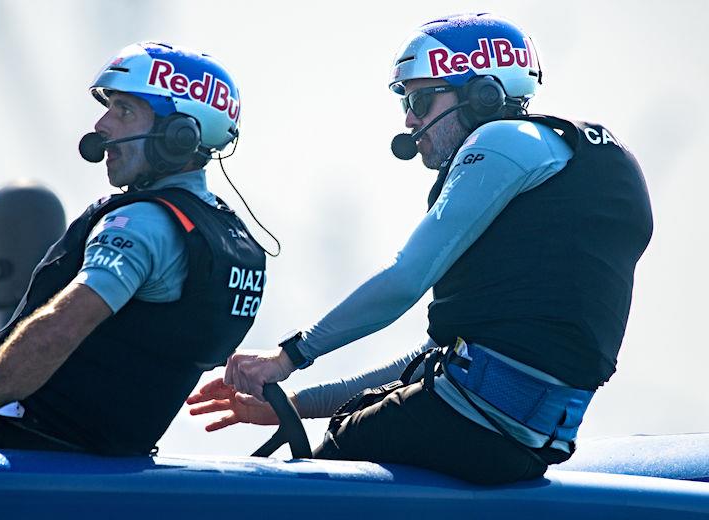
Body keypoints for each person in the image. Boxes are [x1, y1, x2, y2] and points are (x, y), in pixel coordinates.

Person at [188, 14, 653, 484]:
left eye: (420, 99)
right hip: (525, 442)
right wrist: (294, 406)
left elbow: (404, 280)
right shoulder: (562, 163)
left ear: (483, 95)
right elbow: (439, 358)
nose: (410, 119)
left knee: (315, 474)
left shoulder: (501, 139)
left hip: (470, 418)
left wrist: (289, 356)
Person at [0, 42, 266, 455]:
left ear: (179, 135)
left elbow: (61, 327)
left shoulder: (142, 226)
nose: (102, 125)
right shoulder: (222, 233)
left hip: (28, 455)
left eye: (124, 111)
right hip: (105, 464)